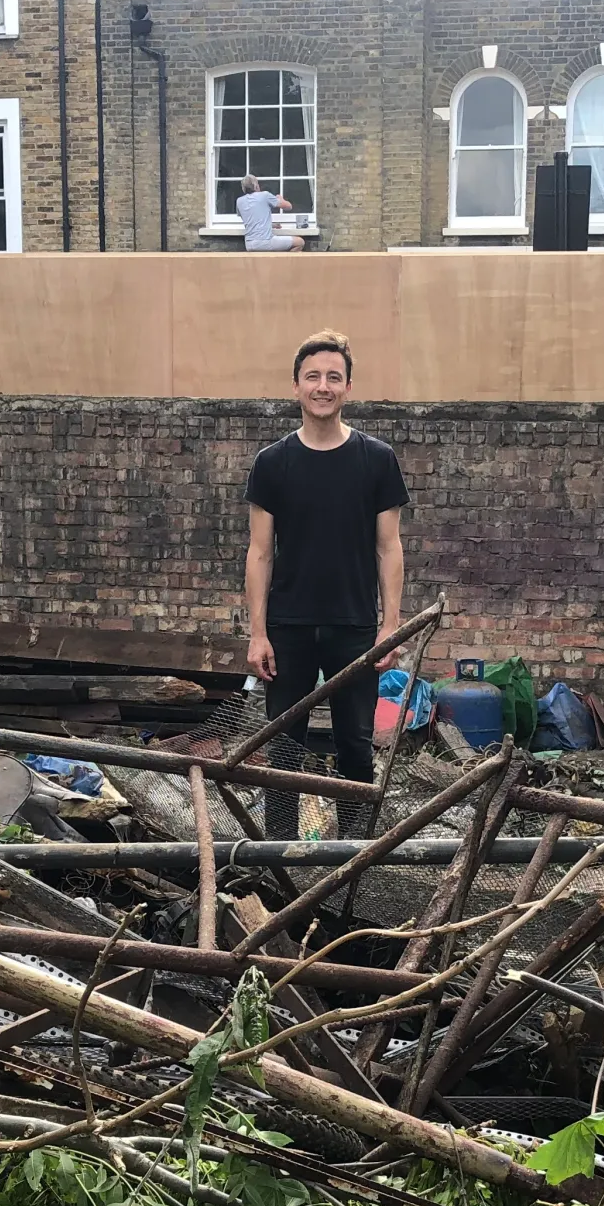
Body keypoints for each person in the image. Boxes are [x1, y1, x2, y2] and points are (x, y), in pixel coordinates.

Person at [243, 330, 408, 839]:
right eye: (313, 376)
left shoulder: (376, 460)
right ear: (296, 386)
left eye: (333, 377)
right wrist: (257, 632)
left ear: (348, 387)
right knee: (283, 746)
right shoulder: (272, 464)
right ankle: (280, 857)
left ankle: (356, 854)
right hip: (288, 627)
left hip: (355, 627)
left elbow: (389, 548)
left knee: (355, 744)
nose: (322, 386)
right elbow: (260, 552)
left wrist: (391, 628)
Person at [236, 174, 305, 252]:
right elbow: (288, 206)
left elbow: (251, 220)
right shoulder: (265, 195)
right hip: (265, 242)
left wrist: (271, 225)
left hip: (249, 244)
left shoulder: (239, 201)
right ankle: (285, 263)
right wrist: (281, 198)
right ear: (256, 186)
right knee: (300, 242)